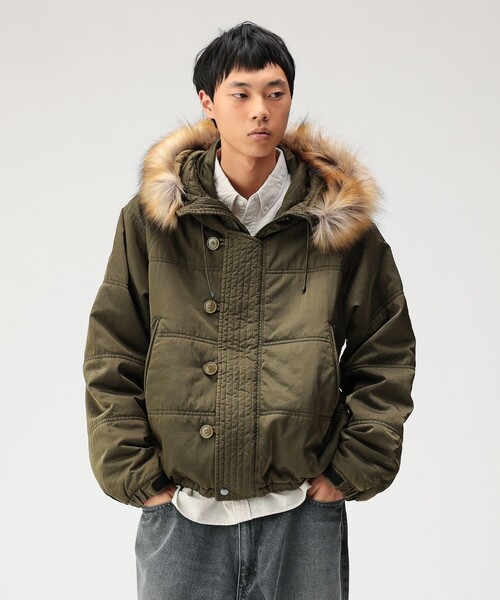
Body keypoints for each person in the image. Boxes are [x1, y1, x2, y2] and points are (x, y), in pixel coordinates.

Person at [83, 21, 416, 600]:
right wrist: (141, 480)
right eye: (241, 93)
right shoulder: (153, 221)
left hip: (302, 517)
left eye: (275, 92)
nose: (260, 110)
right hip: (182, 517)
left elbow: (385, 350)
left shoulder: (338, 224)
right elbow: (113, 350)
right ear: (208, 102)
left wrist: (347, 471)